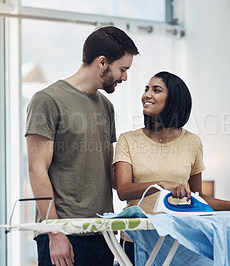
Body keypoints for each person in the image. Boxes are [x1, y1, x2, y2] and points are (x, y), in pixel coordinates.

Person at [114, 71, 230, 264]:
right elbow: (123, 190)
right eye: (146, 89)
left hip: (178, 242)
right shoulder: (128, 140)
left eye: (156, 90)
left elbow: (197, 198)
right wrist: (162, 184)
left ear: (174, 100)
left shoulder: (192, 143)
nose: (146, 95)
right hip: (138, 240)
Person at [25, 26, 139, 266]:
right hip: (64, 234)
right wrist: (55, 232)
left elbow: (108, 170)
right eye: (123, 69)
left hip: (104, 233)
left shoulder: (106, 107)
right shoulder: (47, 100)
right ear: (102, 62)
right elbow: (36, 170)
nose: (125, 77)